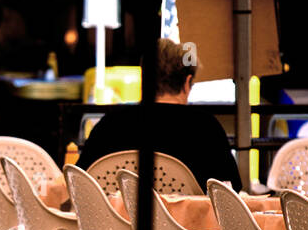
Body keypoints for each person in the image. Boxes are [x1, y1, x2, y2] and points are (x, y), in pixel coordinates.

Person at [68, 38, 243, 194]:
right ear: (187, 82)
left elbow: (79, 182)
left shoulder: (110, 124)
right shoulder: (205, 127)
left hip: (116, 228)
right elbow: (230, 189)